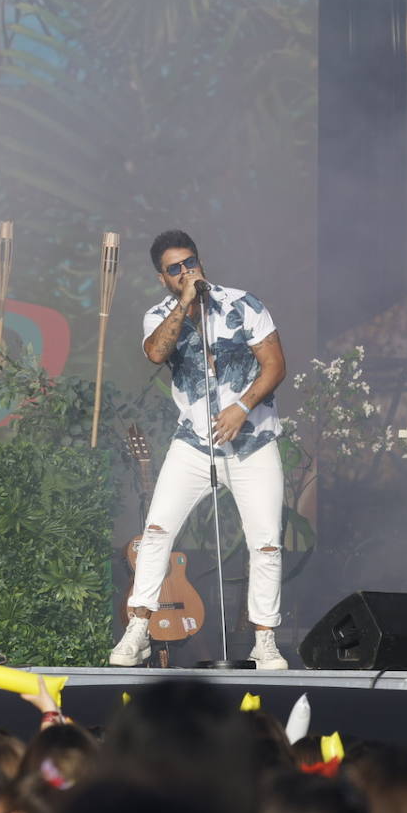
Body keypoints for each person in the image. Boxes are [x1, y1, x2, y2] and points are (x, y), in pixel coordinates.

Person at [110, 230, 289, 669]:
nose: (186, 272)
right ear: (163, 278)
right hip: (194, 444)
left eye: (190, 263)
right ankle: (138, 630)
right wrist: (183, 303)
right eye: (175, 268)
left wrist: (242, 407)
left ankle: (264, 639)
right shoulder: (158, 316)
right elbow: (156, 354)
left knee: (265, 544)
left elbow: (276, 365)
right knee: (156, 532)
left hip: (252, 442)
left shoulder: (243, 304)